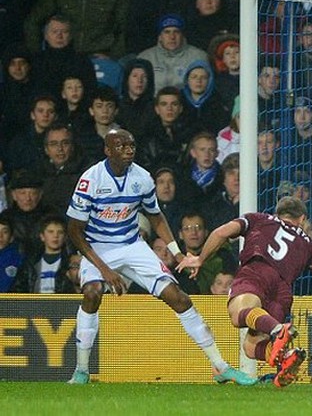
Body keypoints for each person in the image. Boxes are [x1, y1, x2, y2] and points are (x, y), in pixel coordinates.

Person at [65, 128, 255, 385]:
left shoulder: (142, 178)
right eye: (121, 146)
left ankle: (220, 367)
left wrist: (177, 254)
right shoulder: (91, 180)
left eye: (131, 145)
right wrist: (105, 270)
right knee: (92, 293)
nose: (129, 150)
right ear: (107, 150)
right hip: (98, 247)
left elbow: (155, 216)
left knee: (178, 297)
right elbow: (74, 231)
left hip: (133, 245)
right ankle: (82, 371)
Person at [175, 196, 312, 387]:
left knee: (238, 315)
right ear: (302, 219)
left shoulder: (259, 219)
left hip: (257, 271)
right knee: (251, 346)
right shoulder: (310, 246)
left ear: (277, 213)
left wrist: (200, 258)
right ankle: (287, 358)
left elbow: (221, 233)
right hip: (283, 293)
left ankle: (278, 329)